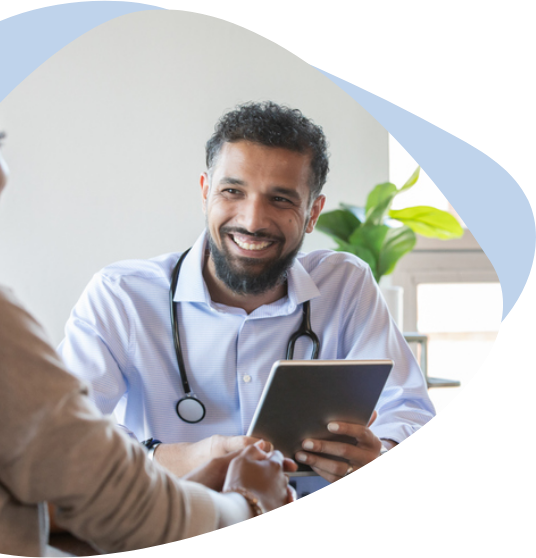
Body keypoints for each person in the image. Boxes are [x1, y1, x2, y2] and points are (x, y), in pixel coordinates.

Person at [0, 112, 296, 558]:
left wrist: (188, 484)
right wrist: (247, 501)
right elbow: (129, 513)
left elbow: (47, 487)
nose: (253, 219)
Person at [57, 101, 437, 496]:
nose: (253, 221)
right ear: (206, 192)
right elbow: (62, 434)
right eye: (232, 191)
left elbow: (408, 410)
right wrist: (173, 458)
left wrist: (381, 449)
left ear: (313, 212)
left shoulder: (346, 285)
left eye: (281, 199)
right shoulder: (122, 296)